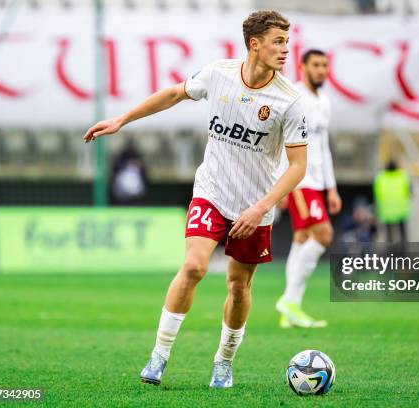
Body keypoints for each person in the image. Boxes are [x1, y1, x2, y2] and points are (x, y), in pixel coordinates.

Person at [83, 10, 307, 389]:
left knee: (238, 288)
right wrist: (122, 120)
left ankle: (223, 361)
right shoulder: (218, 73)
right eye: (278, 41)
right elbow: (173, 93)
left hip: (255, 206)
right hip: (211, 193)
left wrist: (261, 207)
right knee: (193, 267)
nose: (286, 49)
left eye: (287, 41)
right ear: (255, 44)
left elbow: (298, 166)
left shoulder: (289, 101)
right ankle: (159, 354)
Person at [275, 49, 342, 329]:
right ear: (302, 67)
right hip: (299, 179)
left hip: (317, 182)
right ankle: (290, 300)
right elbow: (280, 140)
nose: (321, 70)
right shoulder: (294, 97)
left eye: (325, 65)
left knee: (302, 238)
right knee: (324, 234)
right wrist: (280, 184)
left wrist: (332, 188)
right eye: (316, 65)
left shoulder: (324, 102)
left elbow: (324, 148)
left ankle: (290, 309)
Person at [373, 159, 411, 244]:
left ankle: (390, 252)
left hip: (387, 211)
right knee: (403, 233)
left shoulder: (380, 178)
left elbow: (376, 194)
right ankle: (404, 252)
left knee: (389, 235)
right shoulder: (403, 176)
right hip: (401, 210)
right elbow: (410, 191)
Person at [110, 140, 149, 206]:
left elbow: (145, 174)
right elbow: (114, 170)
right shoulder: (121, 161)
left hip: (136, 195)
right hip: (122, 195)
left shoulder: (138, 161)